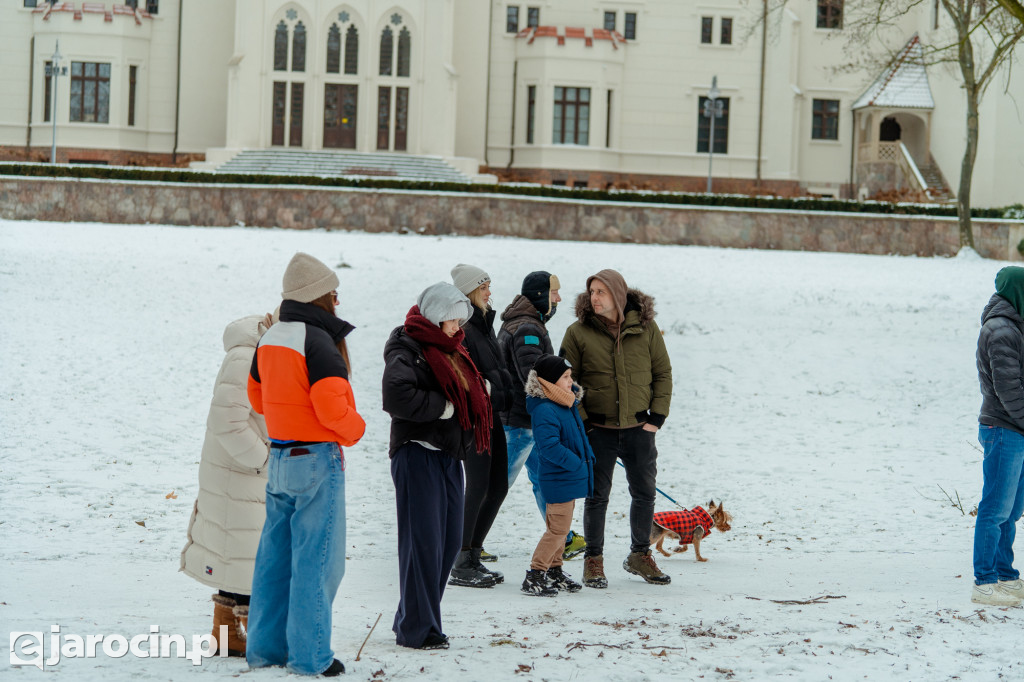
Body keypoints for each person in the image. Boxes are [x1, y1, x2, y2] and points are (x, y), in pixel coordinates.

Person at [245, 252, 366, 677]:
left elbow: (256, 399)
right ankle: (310, 658)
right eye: (333, 293)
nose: (337, 300)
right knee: (318, 562)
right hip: (316, 460)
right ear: (318, 296)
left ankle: (263, 651)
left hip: (278, 457)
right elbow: (333, 411)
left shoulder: (272, 337)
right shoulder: (317, 341)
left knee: (274, 562)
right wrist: (358, 428)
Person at [383, 282, 493, 649]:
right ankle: (420, 629)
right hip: (416, 453)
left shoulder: (452, 347)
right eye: (450, 319)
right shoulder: (407, 345)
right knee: (423, 544)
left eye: (460, 320)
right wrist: (444, 408)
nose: (456, 327)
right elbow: (396, 394)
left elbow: (464, 386)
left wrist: (479, 393)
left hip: (448, 454)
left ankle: (411, 619)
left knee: (447, 544)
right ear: (433, 315)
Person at [559, 269, 673, 588]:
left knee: (644, 493)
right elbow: (565, 381)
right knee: (597, 496)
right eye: (592, 292)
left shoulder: (646, 329)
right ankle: (593, 560)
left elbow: (663, 373)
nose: (594, 298)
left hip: (640, 428)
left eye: (601, 292)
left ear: (618, 295)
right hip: (598, 430)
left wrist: (657, 417)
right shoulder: (578, 332)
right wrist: (582, 423)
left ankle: (640, 554)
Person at [180, 311, 276, 657]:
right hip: (241, 470)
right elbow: (227, 419)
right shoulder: (246, 356)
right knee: (246, 550)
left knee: (239, 551)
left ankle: (227, 632)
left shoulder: (255, 351)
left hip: (239, 471)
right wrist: (263, 459)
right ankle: (247, 633)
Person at [499, 271, 586, 559]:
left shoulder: (527, 324)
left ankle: (565, 537)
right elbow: (536, 378)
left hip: (527, 421)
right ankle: (464, 545)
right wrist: (568, 395)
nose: (559, 298)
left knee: (543, 477)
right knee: (497, 484)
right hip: (520, 422)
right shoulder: (528, 329)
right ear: (540, 296)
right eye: (554, 293)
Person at [448, 264, 512, 587]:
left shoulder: (485, 323)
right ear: (472, 290)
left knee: (498, 485)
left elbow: (495, 369)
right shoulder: (465, 326)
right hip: (476, 420)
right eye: (485, 286)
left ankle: (473, 552)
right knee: (477, 486)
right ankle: (461, 558)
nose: (490, 291)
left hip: (493, 415)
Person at [521, 354, 595, 597]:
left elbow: (575, 438)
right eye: (565, 377)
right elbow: (549, 446)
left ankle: (554, 570)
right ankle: (535, 573)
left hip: (568, 477)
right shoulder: (545, 409)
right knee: (557, 531)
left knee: (561, 529)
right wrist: (575, 463)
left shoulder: (565, 403)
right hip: (559, 476)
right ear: (550, 381)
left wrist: (586, 458)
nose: (570, 381)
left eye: (570, 376)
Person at [973, 266, 1024, 607]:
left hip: (1016, 428)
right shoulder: (1000, 329)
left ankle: (1005, 574)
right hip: (1003, 427)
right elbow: (1009, 388)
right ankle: (985, 580)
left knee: (1013, 509)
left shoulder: (1016, 326)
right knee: (995, 508)